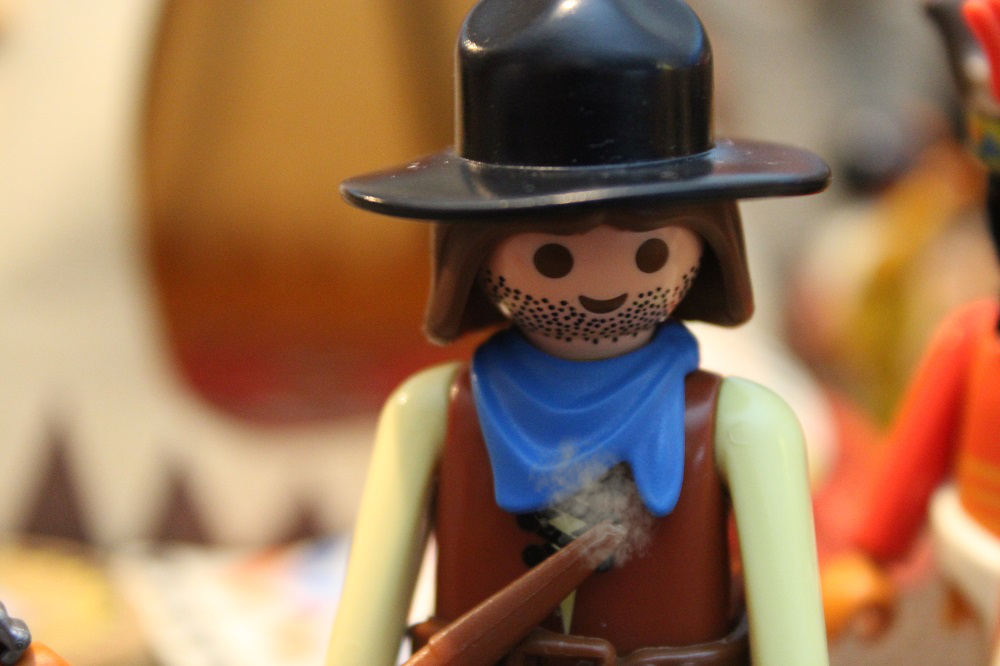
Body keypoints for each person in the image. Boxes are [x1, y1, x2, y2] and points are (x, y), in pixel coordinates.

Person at [326, 0, 830, 663]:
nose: (602, 282)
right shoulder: (431, 413)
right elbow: (360, 635)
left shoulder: (744, 424)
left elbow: (793, 644)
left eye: (649, 251)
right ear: (475, 251)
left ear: (709, 242)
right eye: (552, 257)